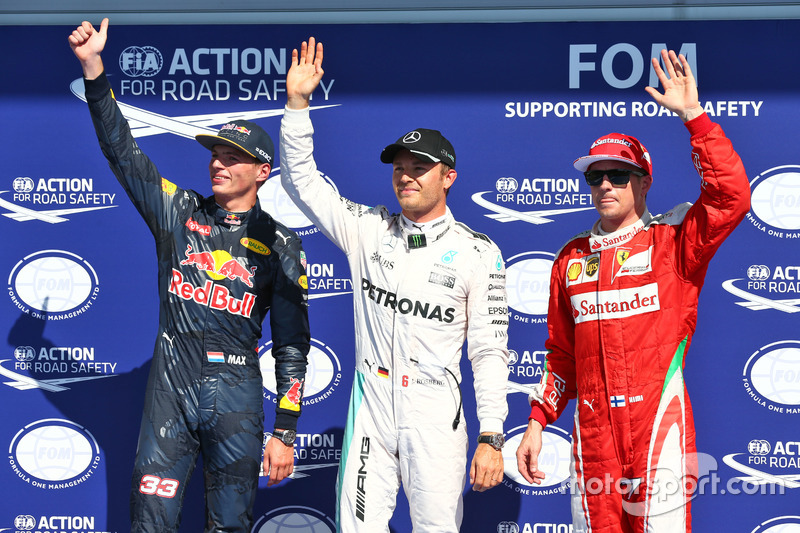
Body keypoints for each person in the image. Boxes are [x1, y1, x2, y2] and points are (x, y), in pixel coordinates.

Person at [69, 19, 310, 532]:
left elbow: (291, 345)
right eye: (216, 154)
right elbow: (125, 154)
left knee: (230, 525)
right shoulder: (178, 212)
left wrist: (286, 431)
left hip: (238, 399)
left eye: (233, 157)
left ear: (263, 171)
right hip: (170, 392)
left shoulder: (283, 243)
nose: (219, 163)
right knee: (149, 521)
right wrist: (94, 72)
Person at [279, 38, 510, 532]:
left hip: (435, 414)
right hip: (372, 405)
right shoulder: (369, 230)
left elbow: (489, 351)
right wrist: (298, 108)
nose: (406, 177)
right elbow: (302, 182)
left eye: (419, 168)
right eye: (399, 167)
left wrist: (492, 433)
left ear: (448, 177)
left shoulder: (478, 252)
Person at [515, 50, 750, 532]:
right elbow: (561, 355)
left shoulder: (675, 241)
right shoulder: (571, 258)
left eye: (618, 175)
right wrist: (538, 421)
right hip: (594, 434)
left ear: (643, 182)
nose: (605, 185)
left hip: (658, 424)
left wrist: (694, 118)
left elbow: (731, 197)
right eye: (595, 176)